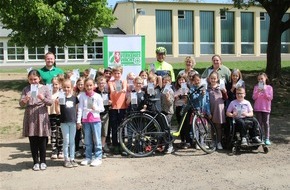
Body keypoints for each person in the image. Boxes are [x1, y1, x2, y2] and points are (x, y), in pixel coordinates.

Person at [19, 69, 52, 171]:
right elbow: (21, 104)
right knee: (32, 139)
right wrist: (25, 100)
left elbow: (50, 102)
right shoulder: (26, 89)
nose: (33, 81)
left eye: (35, 79)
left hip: (41, 114)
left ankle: (43, 161)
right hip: (30, 114)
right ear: (28, 80)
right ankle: (35, 162)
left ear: (39, 79)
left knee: (42, 139)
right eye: (31, 79)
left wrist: (43, 98)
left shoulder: (45, 88)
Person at [77, 78, 105, 166]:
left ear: (94, 86)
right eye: (87, 85)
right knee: (87, 140)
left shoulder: (97, 96)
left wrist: (95, 108)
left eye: (90, 85)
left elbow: (102, 109)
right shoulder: (82, 96)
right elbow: (80, 109)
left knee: (97, 139)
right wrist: (78, 121)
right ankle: (88, 157)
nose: (89, 87)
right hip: (86, 120)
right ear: (84, 86)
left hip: (96, 120)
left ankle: (98, 157)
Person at [55, 79, 79, 168]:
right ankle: (66, 159)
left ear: (71, 87)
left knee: (72, 141)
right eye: (64, 87)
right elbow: (58, 112)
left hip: (72, 122)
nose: (66, 89)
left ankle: (72, 158)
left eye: (68, 87)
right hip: (64, 122)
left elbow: (76, 110)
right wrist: (56, 104)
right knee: (66, 140)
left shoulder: (74, 98)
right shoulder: (61, 98)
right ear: (62, 88)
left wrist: (77, 121)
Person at [108, 66, 127, 154]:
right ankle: (115, 145)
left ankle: (122, 145)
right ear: (113, 74)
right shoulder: (111, 82)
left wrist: (123, 90)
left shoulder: (124, 81)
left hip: (122, 107)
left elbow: (125, 88)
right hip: (114, 107)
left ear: (121, 73)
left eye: (118, 73)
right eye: (115, 73)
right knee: (114, 127)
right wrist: (116, 91)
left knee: (122, 127)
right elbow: (112, 90)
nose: (117, 75)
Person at [207, 71, 228, 150]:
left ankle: (219, 142)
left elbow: (225, 98)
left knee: (218, 126)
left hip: (219, 108)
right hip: (211, 108)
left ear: (217, 79)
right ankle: (213, 141)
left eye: (214, 78)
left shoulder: (220, 87)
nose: (213, 80)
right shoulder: (207, 88)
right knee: (212, 126)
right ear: (209, 79)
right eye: (211, 78)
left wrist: (224, 92)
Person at [252, 73, 273, 145]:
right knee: (259, 123)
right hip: (258, 108)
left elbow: (270, 98)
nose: (260, 80)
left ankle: (267, 138)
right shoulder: (256, 87)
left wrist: (264, 91)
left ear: (265, 78)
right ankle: (260, 137)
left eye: (262, 79)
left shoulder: (269, 87)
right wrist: (258, 91)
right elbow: (254, 97)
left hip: (266, 108)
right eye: (259, 79)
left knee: (266, 123)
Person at [95, 76, 112, 157]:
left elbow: (111, 102)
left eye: (103, 83)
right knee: (96, 132)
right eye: (100, 83)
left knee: (104, 132)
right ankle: (96, 149)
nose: (101, 84)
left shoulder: (107, 92)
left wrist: (110, 102)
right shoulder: (94, 92)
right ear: (97, 84)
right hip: (96, 115)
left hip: (105, 113)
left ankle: (102, 148)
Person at [48, 77, 63, 160]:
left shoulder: (62, 93)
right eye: (53, 84)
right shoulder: (49, 93)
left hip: (60, 115)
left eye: (56, 84)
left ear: (59, 84)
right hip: (51, 114)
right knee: (53, 132)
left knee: (60, 132)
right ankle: (54, 150)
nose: (55, 86)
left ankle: (60, 149)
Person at [174, 74, 190, 149]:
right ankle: (182, 140)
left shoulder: (187, 88)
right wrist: (178, 97)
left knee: (186, 125)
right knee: (180, 125)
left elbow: (186, 98)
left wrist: (181, 96)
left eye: (183, 80)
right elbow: (174, 98)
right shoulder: (176, 89)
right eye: (180, 80)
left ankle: (187, 141)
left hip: (185, 108)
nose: (181, 81)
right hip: (178, 108)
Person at [161, 75, 175, 153]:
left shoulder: (170, 91)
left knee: (168, 129)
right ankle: (166, 145)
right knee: (164, 129)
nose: (165, 83)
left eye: (167, 82)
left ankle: (170, 145)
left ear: (170, 83)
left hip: (169, 112)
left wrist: (168, 98)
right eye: (164, 82)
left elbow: (170, 103)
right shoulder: (163, 90)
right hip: (163, 111)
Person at [74, 77, 85, 158]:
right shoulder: (75, 94)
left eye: (82, 84)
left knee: (86, 133)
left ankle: (86, 149)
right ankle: (76, 149)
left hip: (86, 115)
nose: (80, 86)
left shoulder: (87, 93)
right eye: (79, 84)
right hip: (77, 115)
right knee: (77, 133)